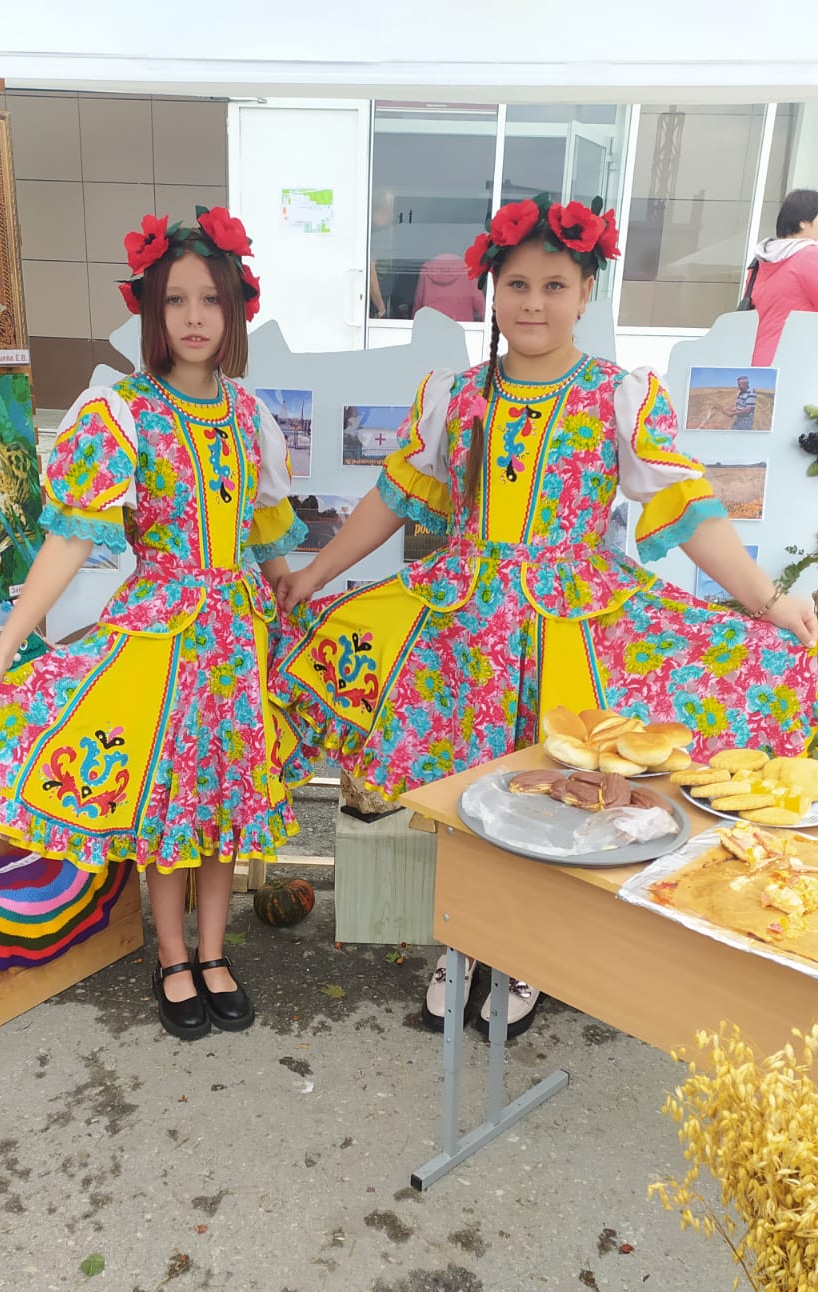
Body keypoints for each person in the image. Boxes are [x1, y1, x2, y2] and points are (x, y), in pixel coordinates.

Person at [269, 193, 818, 1039]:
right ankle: (463, 941)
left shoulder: (617, 395)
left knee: (560, 791)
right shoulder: (455, 395)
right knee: (465, 791)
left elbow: (688, 507)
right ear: (491, 290)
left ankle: (525, 954)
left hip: (575, 621)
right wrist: (314, 574)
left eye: (554, 285)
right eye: (517, 285)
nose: (533, 303)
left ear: (585, 293)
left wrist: (767, 600)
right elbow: (391, 498)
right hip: (464, 628)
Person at [0, 206, 308, 1042]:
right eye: (175, 300)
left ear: (235, 310)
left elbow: (263, 531)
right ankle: (172, 955)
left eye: (210, 300)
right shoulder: (123, 414)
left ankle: (214, 952)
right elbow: (71, 538)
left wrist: (288, 583)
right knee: (170, 808)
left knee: (222, 803)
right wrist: (4, 648)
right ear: (151, 311)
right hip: (162, 641)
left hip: (237, 641)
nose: (193, 317)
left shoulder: (249, 415)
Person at [750, 188, 818, 365]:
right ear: (804, 222)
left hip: (756, 358)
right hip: (796, 360)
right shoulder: (809, 256)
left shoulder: (760, 261)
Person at [413, 253, 486, 321]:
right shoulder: (466, 270)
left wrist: (414, 323)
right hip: (461, 326)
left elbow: (418, 303)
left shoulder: (428, 269)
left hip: (431, 325)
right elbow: (480, 304)